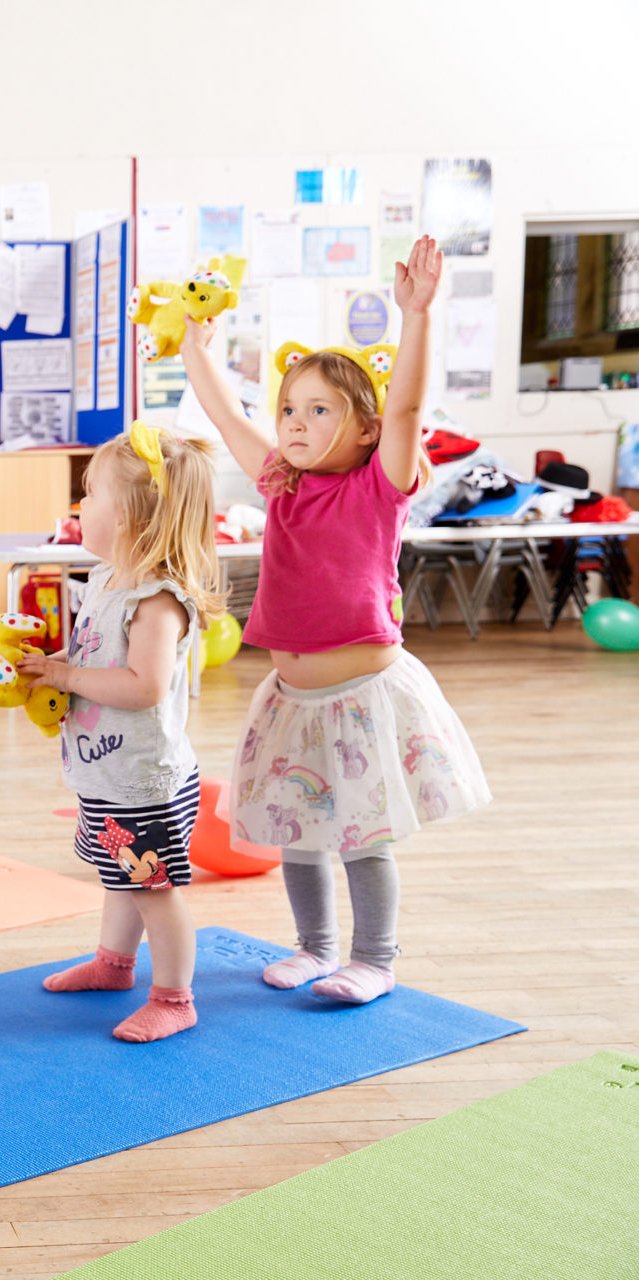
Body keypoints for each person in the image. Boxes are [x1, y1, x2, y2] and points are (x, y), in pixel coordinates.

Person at [179, 234, 489, 1005]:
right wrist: (195, 345)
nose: (294, 420)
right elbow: (222, 412)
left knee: (364, 838)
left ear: (365, 431)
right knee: (297, 832)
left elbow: (410, 405)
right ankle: (315, 948)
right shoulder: (280, 482)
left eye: (320, 410)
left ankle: (374, 960)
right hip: (291, 698)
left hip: (363, 699)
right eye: (289, 407)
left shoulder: (379, 484)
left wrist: (417, 315)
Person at [19, 425, 226, 1042]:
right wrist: (46, 663)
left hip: (144, 781)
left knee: (153, 888)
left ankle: (175, 997)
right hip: (106, 770)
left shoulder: (156, 601)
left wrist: (68, 674)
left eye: (90, 493)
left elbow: (143, 686)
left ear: (134, 516)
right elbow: (95, 653)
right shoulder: (110, 580)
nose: (80, 506)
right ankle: (114, 965)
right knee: (122, 876)